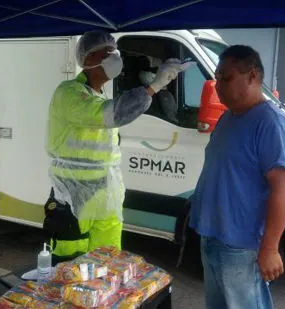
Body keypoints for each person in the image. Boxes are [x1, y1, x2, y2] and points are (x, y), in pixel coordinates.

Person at [45, 30, 184, 259]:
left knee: (107, 263)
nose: (115, 57)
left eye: (115, 52)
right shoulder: (69, 93)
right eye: (108, 53)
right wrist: (155, 85)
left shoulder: (98, 95)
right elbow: (111, 115)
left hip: (105, 193)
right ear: (89, 58)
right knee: (70, 267)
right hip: (72, 196)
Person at [190, 45, 285, 309]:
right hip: (212, 237)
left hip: (242, 246)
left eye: (226, 78)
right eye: (217, 78)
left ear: (251, 76)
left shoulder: (271, 124)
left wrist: (270, 249)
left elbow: (281, 189)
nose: (218, 86)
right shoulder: (228, 117)